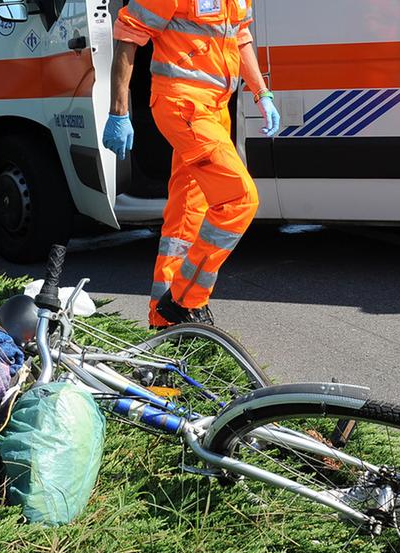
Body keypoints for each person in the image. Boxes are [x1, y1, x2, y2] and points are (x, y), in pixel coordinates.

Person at [104, 0, 280, 328]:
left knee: (185, 218)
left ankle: (163, 319)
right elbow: (128, 35)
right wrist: (118, 110)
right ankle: (186, 300)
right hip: (182, 105)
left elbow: (240, 36)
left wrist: (262, 92)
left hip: (215, 109)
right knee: (239, 199)